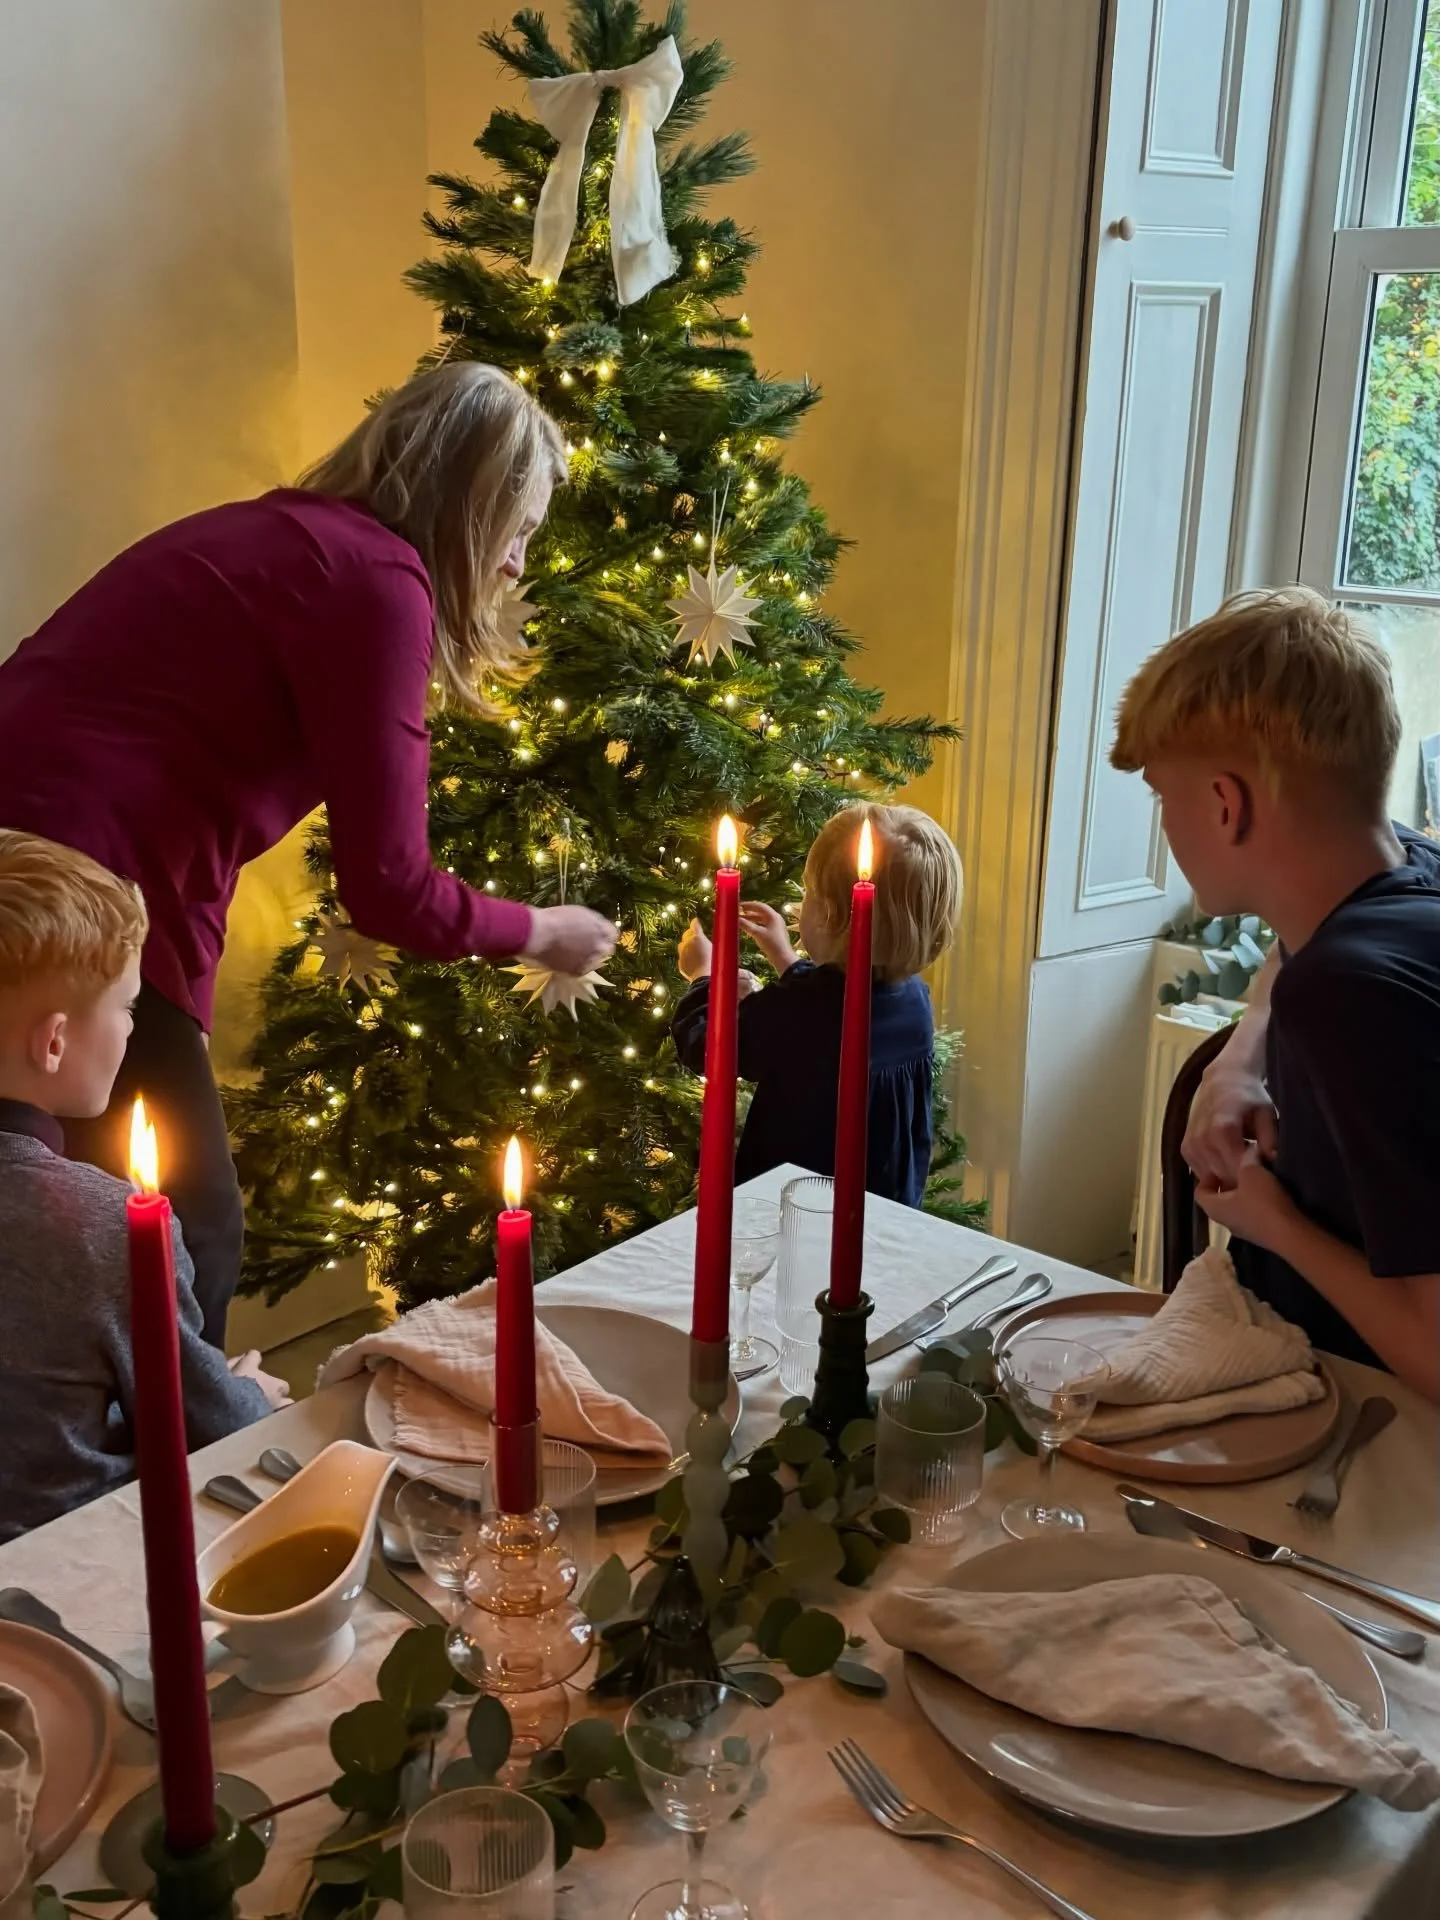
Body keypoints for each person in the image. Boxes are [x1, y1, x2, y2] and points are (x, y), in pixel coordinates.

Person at [0, 363, 615, 1344]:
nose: (516, 565)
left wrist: (178, 996)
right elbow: (390, 888)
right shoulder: (378, 583)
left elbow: (166, 774)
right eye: (521, 528)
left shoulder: (283, 537)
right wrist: (543, 930)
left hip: (48, 868)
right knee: (185, 1236)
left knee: (66, 1212)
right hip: (74, 888)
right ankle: (140, 1487)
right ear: (469, 506)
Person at [1111, 586, 1440, 1402]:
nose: (1165, 823)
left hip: (1367, 1425)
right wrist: (1238, 1066)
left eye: (1162, 795)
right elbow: (1295, 960)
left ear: (1227, 804)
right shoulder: (1401, 866)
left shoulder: (1352, 994)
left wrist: (1274, 1225)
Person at [0, 832, 286, 1543]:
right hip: (69, 1556)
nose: (131, 1028)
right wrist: (249, 1393)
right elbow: (207, 1422)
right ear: (55, 1041)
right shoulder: (96, 1223)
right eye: (127, 1006)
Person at [672, 804, 962, 1205]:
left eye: (809, 894)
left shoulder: (796, 1009)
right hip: (882, 1207)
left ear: (828, 916)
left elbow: (706, 1048)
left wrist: (703, 976)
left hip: (796, 1208)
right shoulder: (914, 1000)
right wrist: (786, 960)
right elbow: (839, 1011)